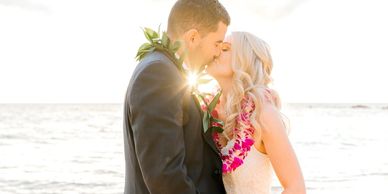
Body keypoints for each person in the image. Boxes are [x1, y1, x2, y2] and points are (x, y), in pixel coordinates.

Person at [123, 0, 230, 193]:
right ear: (193, 37)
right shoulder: (158, 75)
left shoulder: (163, 69)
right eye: (217, 43)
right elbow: (166, 178)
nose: (217, 53)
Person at [206, 31, 306, 194]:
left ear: (244, 60)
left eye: (225, 49)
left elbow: (296, 188)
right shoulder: (207, 112)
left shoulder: (263, 113)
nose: (215, 52)